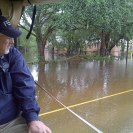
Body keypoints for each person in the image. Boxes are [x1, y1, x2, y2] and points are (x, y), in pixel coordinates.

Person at [0, 15, 52, 133]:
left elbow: (24, 85)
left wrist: (33, 119)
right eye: (8, 37)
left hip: (10, 121)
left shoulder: (12, 55)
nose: (13, 41)